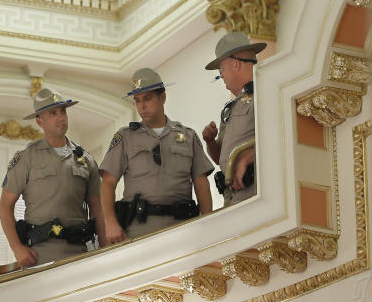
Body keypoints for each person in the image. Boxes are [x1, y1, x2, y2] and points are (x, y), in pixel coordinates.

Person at [100, 68, 213, 244]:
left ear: (163, 97)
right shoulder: (125, 137)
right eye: (137, 101)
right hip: (139, 230)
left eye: (147, 98)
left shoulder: (188, 136)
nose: (142, 106)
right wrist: (110, 223)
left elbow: (201, 182)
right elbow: (107, 183)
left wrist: (208, 223)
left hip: (183, 227)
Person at [0, 88, 105, 267]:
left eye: (63, 111)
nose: (61, 117)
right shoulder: (26, 158)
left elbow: (98, 208)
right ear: (40, 121)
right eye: (53, 113)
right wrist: (17, 248)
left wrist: (104, 247)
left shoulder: (86, 160)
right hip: (40, 255)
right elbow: (5, 206)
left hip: (80, 254)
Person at [202, 31, 266, 206]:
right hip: (233, 197)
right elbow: (220, 159)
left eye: (221, 69)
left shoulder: (265, 91)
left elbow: (282, 133)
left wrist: (250, 155)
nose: (221, 75)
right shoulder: (231, 107)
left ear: (236, 64)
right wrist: (210, 141)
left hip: (257, 192)